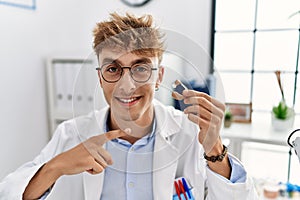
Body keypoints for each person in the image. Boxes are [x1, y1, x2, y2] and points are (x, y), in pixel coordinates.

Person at [0, 12, 258, 200]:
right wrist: (55, 167)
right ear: (100, 77)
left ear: (159, 77)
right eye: (113, 69)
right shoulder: (70, 134)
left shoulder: (190, 135)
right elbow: (10, 193)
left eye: (141, 68)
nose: (127, 85)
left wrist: (215, 149)